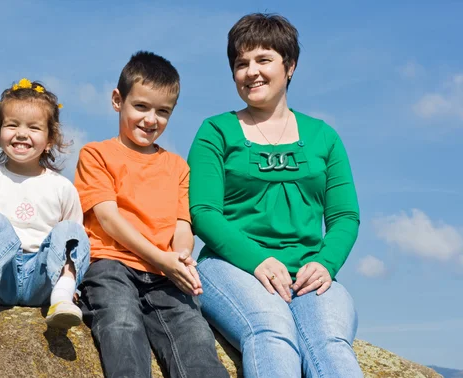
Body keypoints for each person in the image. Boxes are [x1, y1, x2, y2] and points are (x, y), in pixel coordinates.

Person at [188, 13, 363, 378]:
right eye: (241, 63)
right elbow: (203, 211)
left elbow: (345, 216)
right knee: (272, 333)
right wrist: (257, 260)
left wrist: (326, 263)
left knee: (329, 343)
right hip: (231, 267)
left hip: (309, 271)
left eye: (263, 59)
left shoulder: (324, 137)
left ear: (290, 66)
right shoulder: (215, 132)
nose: (251, 72)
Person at [74, 51, 229, 378]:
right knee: (121, 323)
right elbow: (108, 220)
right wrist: (161, 258)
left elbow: (182, 225)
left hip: (165, 273)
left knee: (194, 332)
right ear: (118, 100)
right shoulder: (96, 154)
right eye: (141, 107)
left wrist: (181, 256)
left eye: (163, 112)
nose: (150, 119)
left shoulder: (177, 167)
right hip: (111, 264)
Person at [0, 78, 90, 346]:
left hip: (42, 280)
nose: (21, 134)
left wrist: (69, 281)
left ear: (49, 139)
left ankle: (62, 299)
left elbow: (73, 243)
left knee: (72, 231)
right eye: (12, 125)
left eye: (33, 127)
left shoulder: (61, 187)